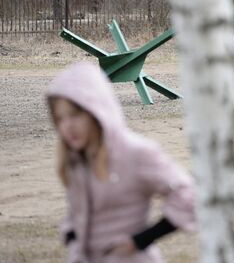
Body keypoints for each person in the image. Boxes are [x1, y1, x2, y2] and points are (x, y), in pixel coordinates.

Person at [47, 61, 196, 262]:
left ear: (95, 108)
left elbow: (188, 194)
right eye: (60, 118)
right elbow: (76, 216)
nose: (67, 126)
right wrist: (73, 239)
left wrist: (142, 239)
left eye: (75, 114)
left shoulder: (135, 152)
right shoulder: (77, 159)